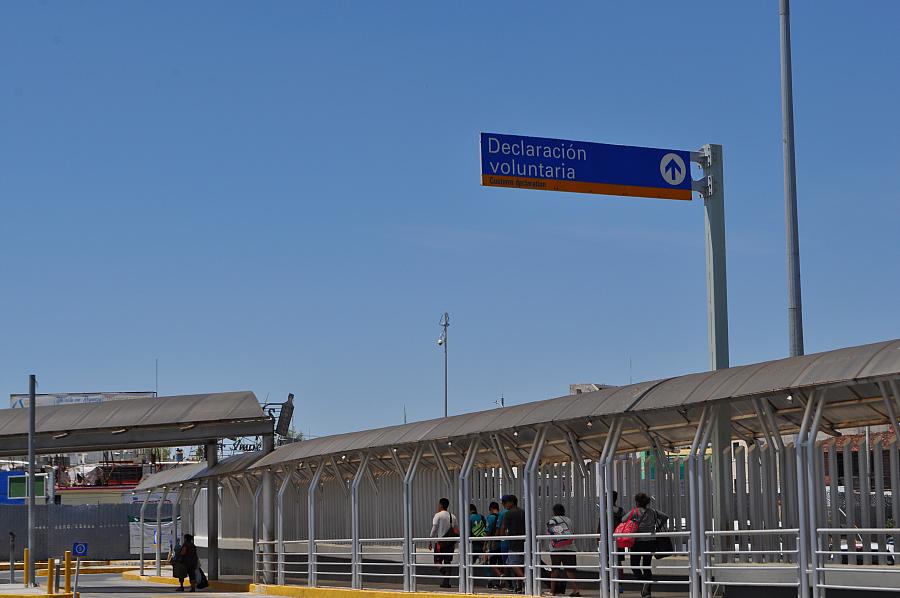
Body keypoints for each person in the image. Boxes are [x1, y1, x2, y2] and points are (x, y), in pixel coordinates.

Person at [624, 493, 668, 598]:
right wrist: (657, 527)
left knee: (634, 566)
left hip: (638, 543)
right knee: (646, 567)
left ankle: (644, 583)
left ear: (637, 502)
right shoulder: (653, 512)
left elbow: (623, 520)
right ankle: (647, 592)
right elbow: (665, 517)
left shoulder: (634, 512)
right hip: (650, 542)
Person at [546, 504, 580, 597]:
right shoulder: (568, 520)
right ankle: (576, 589)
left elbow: (550, 533)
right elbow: (572, 532)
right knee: (570, 570)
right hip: (570, 548)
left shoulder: (552, 520)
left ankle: (552, 591)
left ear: (554, 511)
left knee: (555, 570)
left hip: (556, 549)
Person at [498, 494, 526, 593]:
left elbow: (503, 528)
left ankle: (524, 580)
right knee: (521, 565)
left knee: (512, 563)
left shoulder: (508, 514)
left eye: (505, 503)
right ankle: (519, 586)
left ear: (511, 502)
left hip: (513, 543)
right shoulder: (523, 512)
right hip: (524, 542)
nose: (503, 505)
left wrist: (502, 536)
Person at [429, 497, 459, 589]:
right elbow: (456, 530)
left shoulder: (438, 515)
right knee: (447, 561)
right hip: (450, 543)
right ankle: (446, 581)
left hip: (440, 543)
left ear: (441, 505)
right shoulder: (453, 516)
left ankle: (444, 572)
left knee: (437, 561)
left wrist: (430, 540)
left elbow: (434, 529)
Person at [598, 491, 625, 591]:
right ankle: (619, 585)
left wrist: (598, 537)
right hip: (618, 539)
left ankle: (609, 584)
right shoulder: (621, 511)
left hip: (606, 539)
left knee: (606, 562)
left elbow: (600, 525)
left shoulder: (605, 510)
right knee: (618, 562)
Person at [484, 501, 503, 589]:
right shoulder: (502, 516)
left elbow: (488, 532)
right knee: (501, 563)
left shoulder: (490, 518)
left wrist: (485, 544)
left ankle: (501, 575)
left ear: (491, 509)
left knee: (491, 562)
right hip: (502, 543)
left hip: (493, 544)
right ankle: (502, 581)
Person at [469, 504, 487, 584]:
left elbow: (468, 531)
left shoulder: (469, 518)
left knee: (470, 563)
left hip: (473, 544)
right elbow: (485, 529)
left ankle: (469, 580)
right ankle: (489, 580)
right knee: (485, 562)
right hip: (482, 543)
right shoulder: (482, 517)